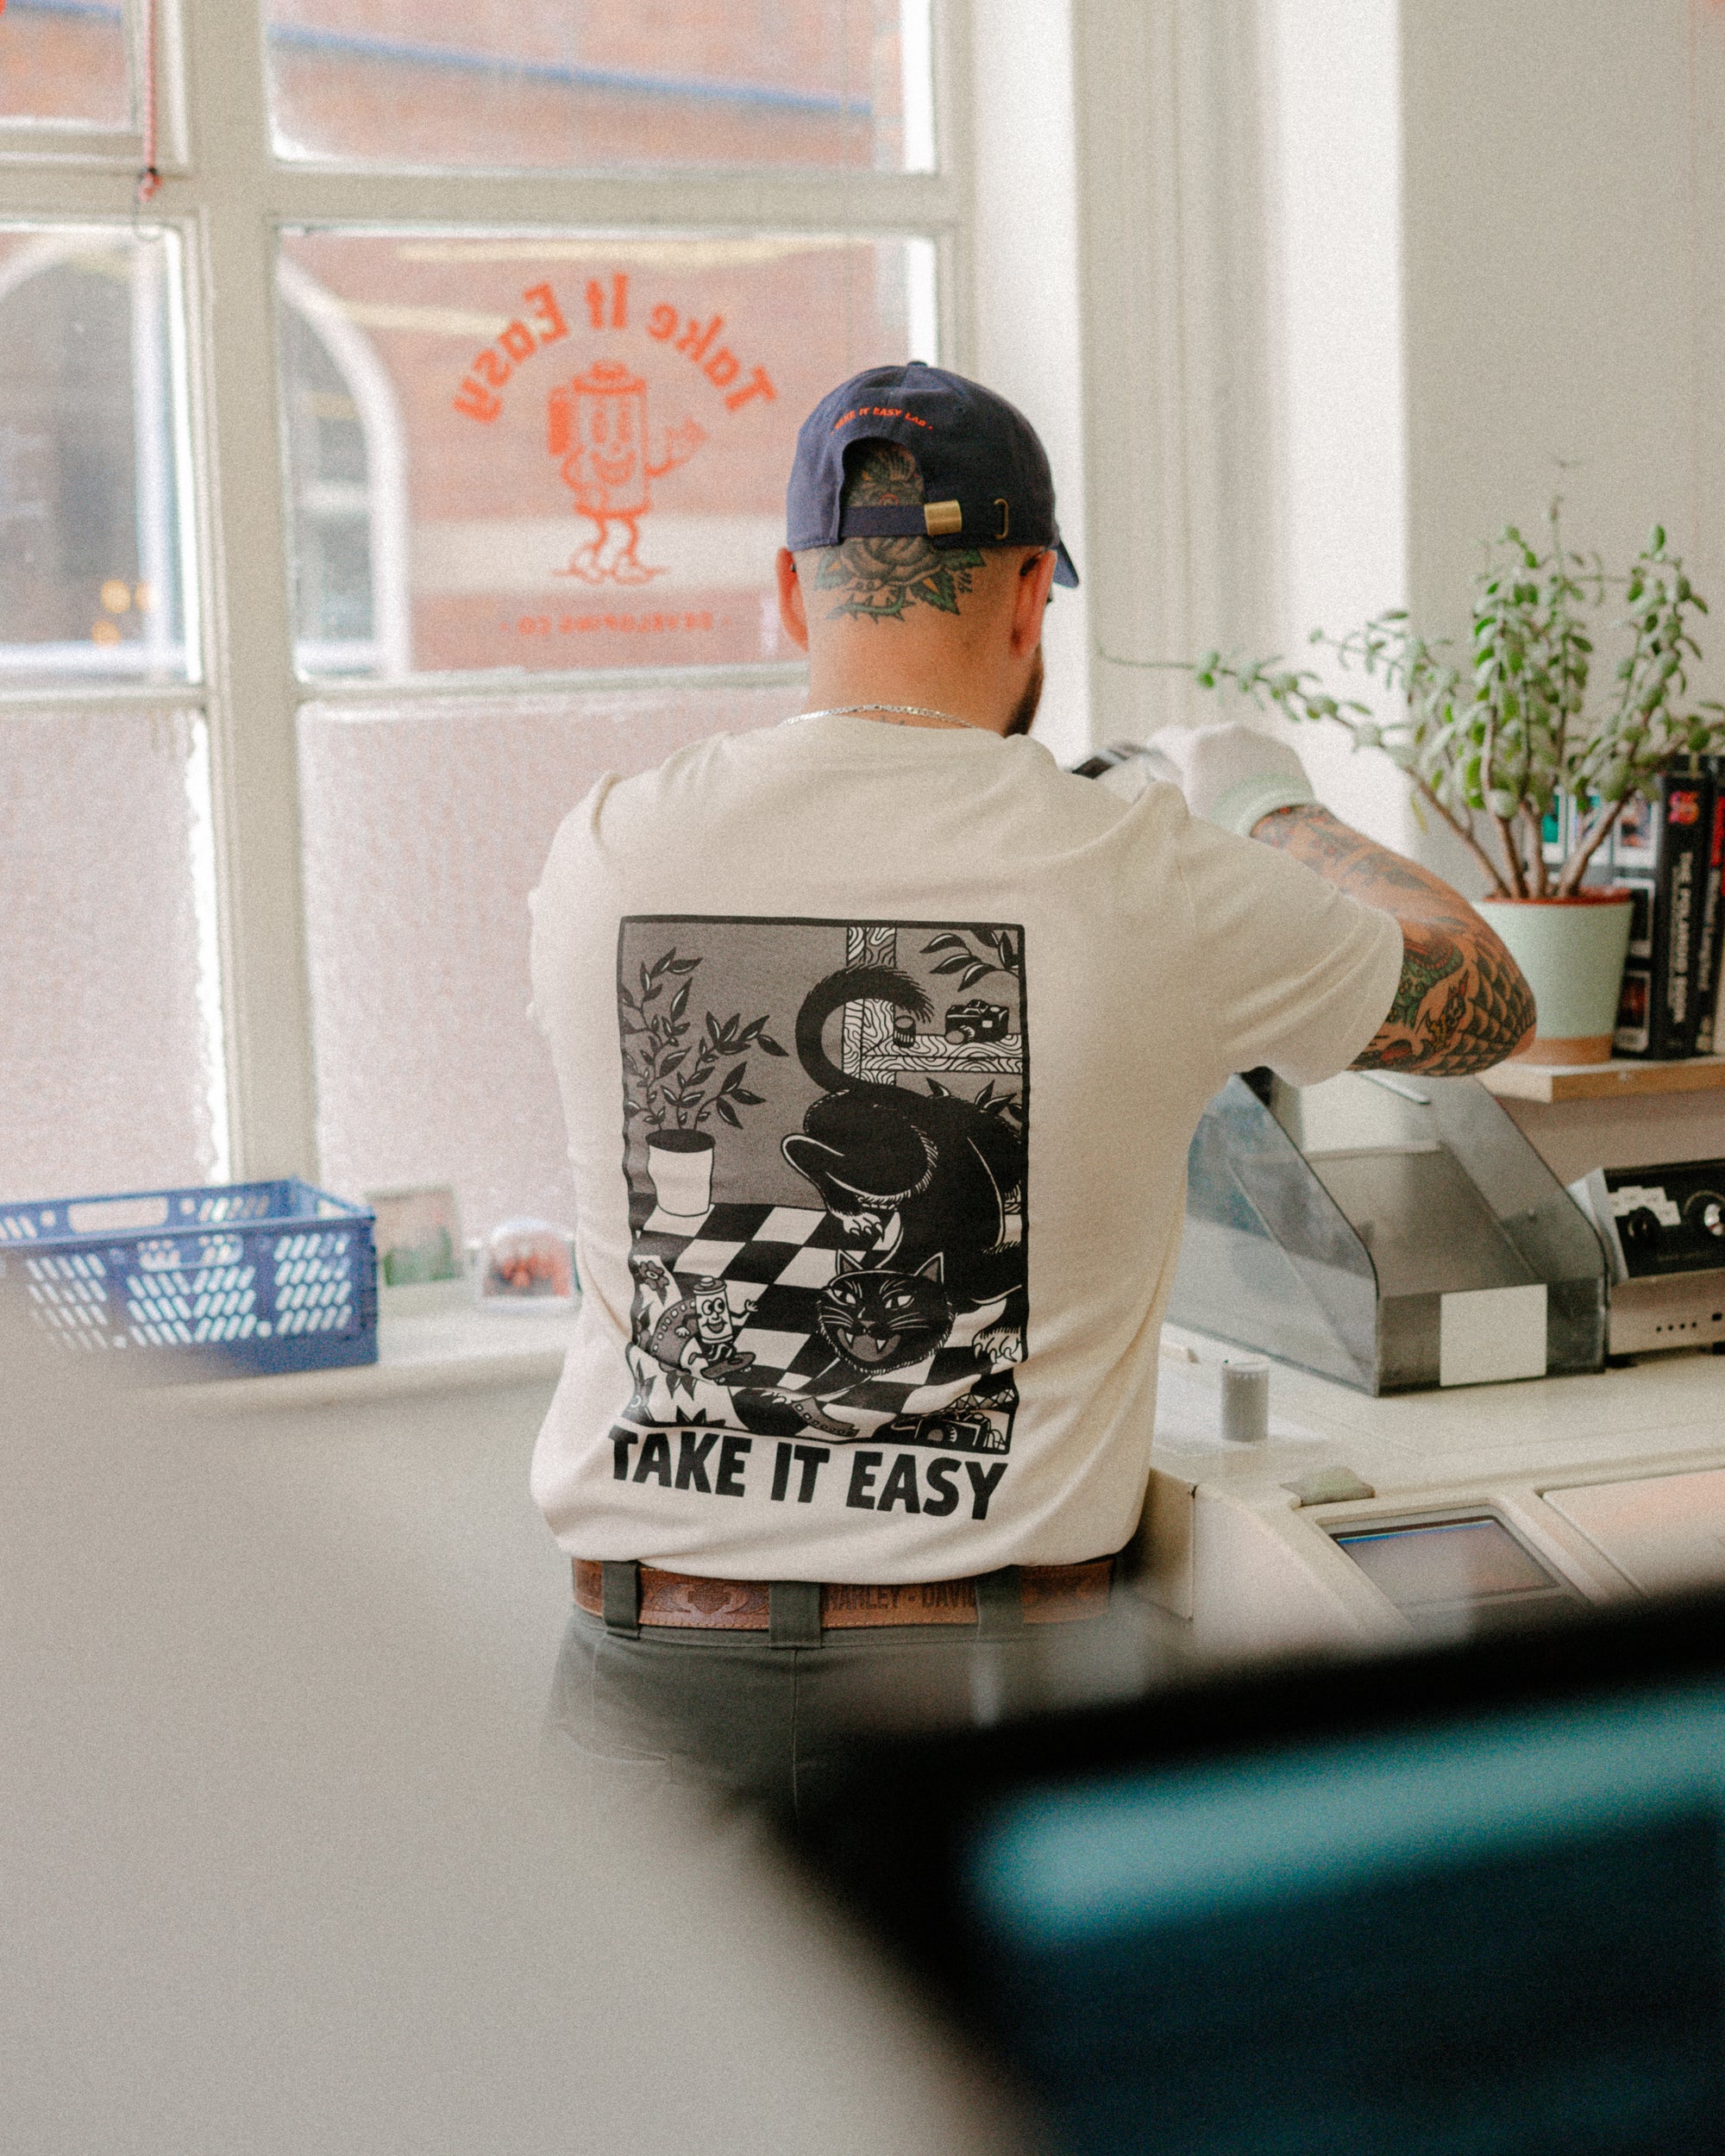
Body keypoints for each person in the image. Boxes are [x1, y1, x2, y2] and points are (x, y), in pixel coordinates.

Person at [528, 360, 1534, 1821]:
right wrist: (1272, 809)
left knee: (614, 2064)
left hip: (647, 1680)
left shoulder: (609, 850)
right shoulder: (1146, 872)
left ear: (795, 593)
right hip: (999, 1696)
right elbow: (1484, 1000)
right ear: (1021, 593)